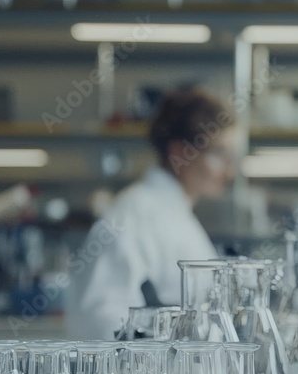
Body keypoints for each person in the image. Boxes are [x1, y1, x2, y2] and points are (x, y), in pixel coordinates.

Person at [67, 88, 236, 340]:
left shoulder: (175, 213)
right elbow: (104, 319)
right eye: (219, 154)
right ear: (179, 151)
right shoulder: (134, 215)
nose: (229, 171)